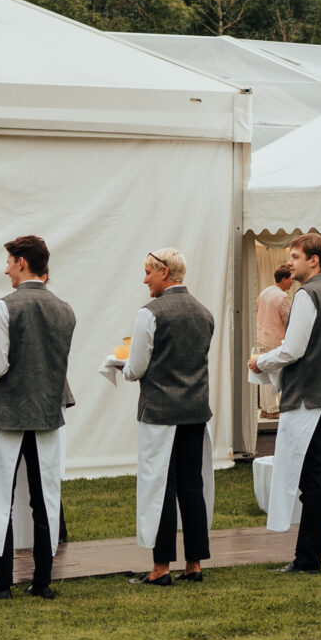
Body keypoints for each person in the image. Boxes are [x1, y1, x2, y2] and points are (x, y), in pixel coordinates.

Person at [0, 234, 74, 600]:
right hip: (48, 412)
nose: (6, 269)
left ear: (23, 263)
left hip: (10, 413)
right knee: (46, 497)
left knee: (0, 496)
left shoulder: (4, 307)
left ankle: (2, 583)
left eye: (10, 262)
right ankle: (43, 580)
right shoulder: (65, 309)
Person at [250, 232, 321, 574]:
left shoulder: (308, 295)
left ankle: (308, 558)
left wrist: (261, 362)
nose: (290, 262)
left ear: (314, 260)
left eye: (296, 256)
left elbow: (293, 349)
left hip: (308, 400)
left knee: (312, 480)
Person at [123, 247, 216, 584]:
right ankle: (194, 564)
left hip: (160, 412)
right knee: (192, 486)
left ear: (164, 271)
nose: (144, 278)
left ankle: (160, 567)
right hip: (194, 411)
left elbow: (136, 367)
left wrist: (122, 367)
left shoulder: (150, 313)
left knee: (160, 484)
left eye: (148, 271)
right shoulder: (204, 313)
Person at [254, 262, 296, 421]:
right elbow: (289, 320)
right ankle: (272, 409)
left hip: (261, 336)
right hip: (275, 340)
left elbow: (257, 308)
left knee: (264, 373)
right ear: (284, 279)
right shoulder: (282, 297)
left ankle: (266, 409)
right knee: (275, 375)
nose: (292, 282)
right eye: (290, 279)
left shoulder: (265, 291)